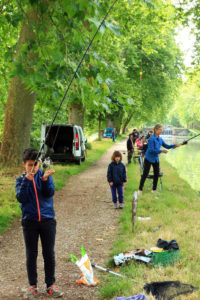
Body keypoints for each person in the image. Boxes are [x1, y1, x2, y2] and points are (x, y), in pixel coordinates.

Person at [15, 148, 63, 299]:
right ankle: (32, 286)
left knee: (49, 253)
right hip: (30, 222)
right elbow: (21, 198)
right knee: (31, 254)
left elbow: (50, 193)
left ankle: (50, 285)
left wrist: (46, 180)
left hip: (48, 220)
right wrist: (27, 181)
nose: (33, 168)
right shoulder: (20, 180)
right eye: (30, 165)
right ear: (24, 164)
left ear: (39, 164)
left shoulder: (44, 175)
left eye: (35, 165)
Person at [138, 124, 181, 195]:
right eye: (160, 129)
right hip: (148, 158)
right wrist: (161, 151)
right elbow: (151, 150)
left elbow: (167, 146)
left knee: (156, 174)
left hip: (156, 159)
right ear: (155, 129)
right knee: (145, 174)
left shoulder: (160, 139)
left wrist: (175, 145)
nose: (161, 131)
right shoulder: (151, 139)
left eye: (162, 129)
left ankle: (154, 189)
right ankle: (140, 189)